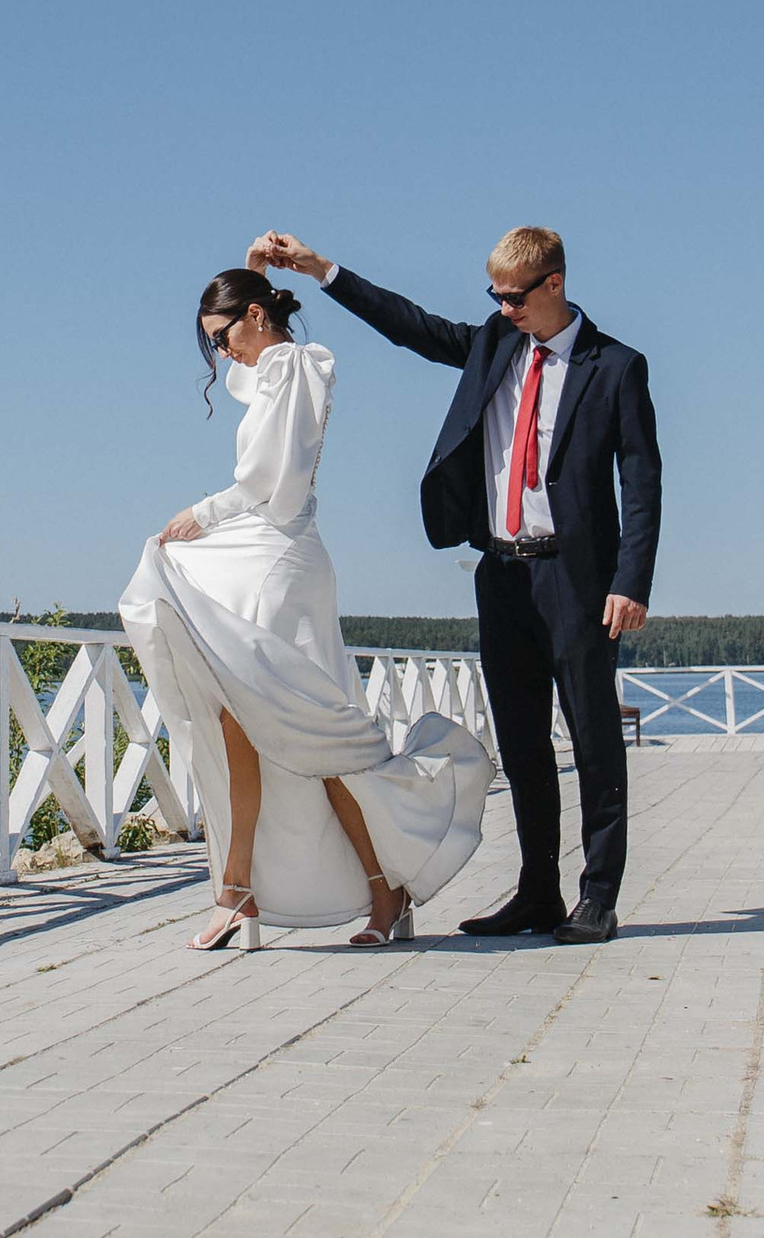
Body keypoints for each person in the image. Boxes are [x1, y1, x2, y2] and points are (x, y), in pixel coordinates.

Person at [247, 226, 659, 946]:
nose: (503, 310)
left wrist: (631, 582)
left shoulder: (616, 367)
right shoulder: (496, 345)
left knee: (594, 740)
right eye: (493, 296)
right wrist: (321, 271)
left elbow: (643, 482)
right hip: (500, 572)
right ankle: (537, 893)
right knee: (524, 742)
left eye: (514, 297)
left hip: (578, 578)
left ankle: (598, 897)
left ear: (553, 284)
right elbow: (410, 326)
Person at [119, 268, 490, 951]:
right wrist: (252, 265)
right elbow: (249, 381)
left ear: (258, 317)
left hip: (277, 561)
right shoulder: (274, 366)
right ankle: (237, 889)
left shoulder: (293, 364)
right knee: (240, 719)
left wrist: (201, 514)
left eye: (224, 336)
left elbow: (273, 484)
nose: (221, 355)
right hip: (258, 557)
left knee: (314, 733)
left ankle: (385, 890)